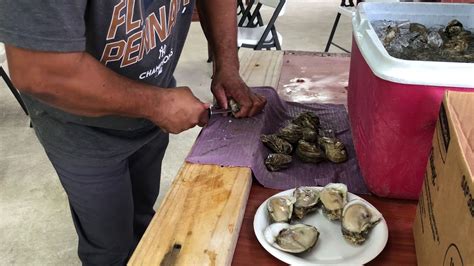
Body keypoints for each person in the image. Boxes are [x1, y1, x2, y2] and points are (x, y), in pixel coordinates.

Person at [0, 0, 266, 264]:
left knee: (143, 220)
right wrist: (157, 104)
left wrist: (227, 66)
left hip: (153, 95)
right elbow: (40, 72)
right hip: (80, 126)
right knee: (109, 247)